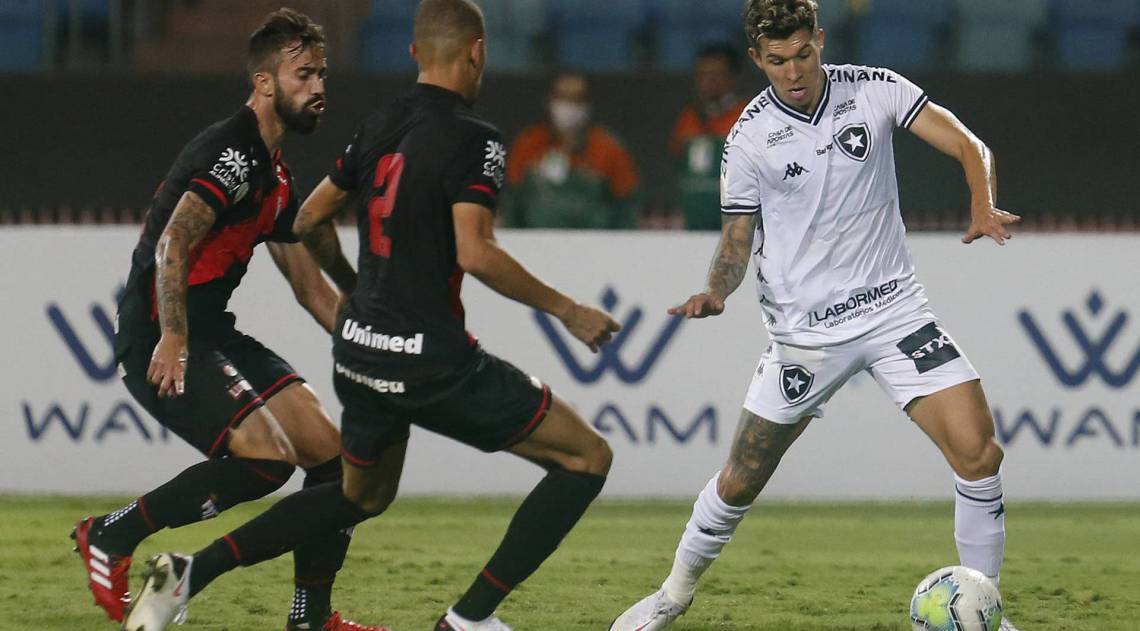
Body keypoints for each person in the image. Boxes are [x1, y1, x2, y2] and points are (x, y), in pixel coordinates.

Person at [120, 1, 620, 630]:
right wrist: (567, 310)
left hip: (359, 355)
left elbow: (307, 221)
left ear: (414, 55)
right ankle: (469, 620)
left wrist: (357, 294)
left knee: (360, 496)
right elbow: (476, 251)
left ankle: (193, 571)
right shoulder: (478, 139)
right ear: (477, 51)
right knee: (586, 458)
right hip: (433, 362)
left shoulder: (381, 122)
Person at [610, 1, 1022, 629]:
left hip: (895, 315)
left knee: (979, 453)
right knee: (741, 478)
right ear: (757, 60)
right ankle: (672, 595)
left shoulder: (876, 90)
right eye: (777, 60)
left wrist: (982, 205)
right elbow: (735, 240)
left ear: (820, 41)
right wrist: (717, 290)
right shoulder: (748, 138)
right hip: (805, 335)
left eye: (803, 53)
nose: (794, 70)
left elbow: (968, 143)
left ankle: (980, 607)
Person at [73, 9, 388, 631]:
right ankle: (112, 534)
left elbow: (310, 289)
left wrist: (372, 346)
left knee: (336, 462)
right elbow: (173, 244)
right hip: (161, 333)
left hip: (212, 331)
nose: (320, 86)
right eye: (305, 74)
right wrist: (173, 335)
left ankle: (310, 618)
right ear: (266, 83)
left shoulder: (273, 174)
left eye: (323, 73)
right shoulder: (232, 151)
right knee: (267, 463)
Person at [501, 71, 640, 229]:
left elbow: (626, 208)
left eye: (578, 99)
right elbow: (513, 203)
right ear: (550, 101)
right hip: (538, 243)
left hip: (595, 245)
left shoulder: (609, 148)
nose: (570, 107)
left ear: (588, 104)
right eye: (563, 98)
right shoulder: (528, 144)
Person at [670, 43, 749, 231]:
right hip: (691, 225)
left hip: (735, 227)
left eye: (716, 75)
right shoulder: (688, 118)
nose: (708, 81)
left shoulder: (747, 117)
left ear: (732, 77)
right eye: (702, 75)